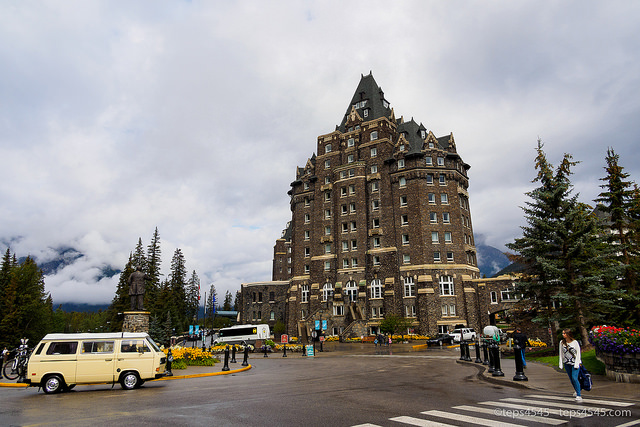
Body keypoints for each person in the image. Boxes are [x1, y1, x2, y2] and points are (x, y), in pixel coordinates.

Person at [559, 329, 583, 401]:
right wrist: (561, 363)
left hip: (574, 363)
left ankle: (579, 395)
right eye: (563, 333)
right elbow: (561, 353)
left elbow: (578, 353)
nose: (563, 335)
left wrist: (577, 363)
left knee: (574, 378)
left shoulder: (575, 342)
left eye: (564, 333)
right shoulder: (562, 342)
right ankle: (577, 390)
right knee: (571, 379)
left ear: (568, 334)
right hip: (567, 363)